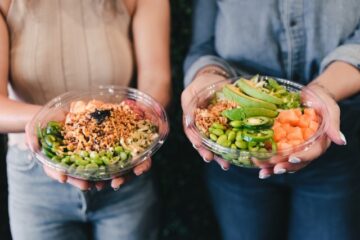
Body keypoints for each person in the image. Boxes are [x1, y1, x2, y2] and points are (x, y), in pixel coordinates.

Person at [182, 0, 360, 239]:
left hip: (335, 143)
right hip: (236, 157)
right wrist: (208, 78)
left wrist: (324, 90)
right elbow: (203, 45)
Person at [0, 0, 170, 239]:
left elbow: (156, 76)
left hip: (124, 166)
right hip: (34, 179)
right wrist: (48, 119)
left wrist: (142, 115)